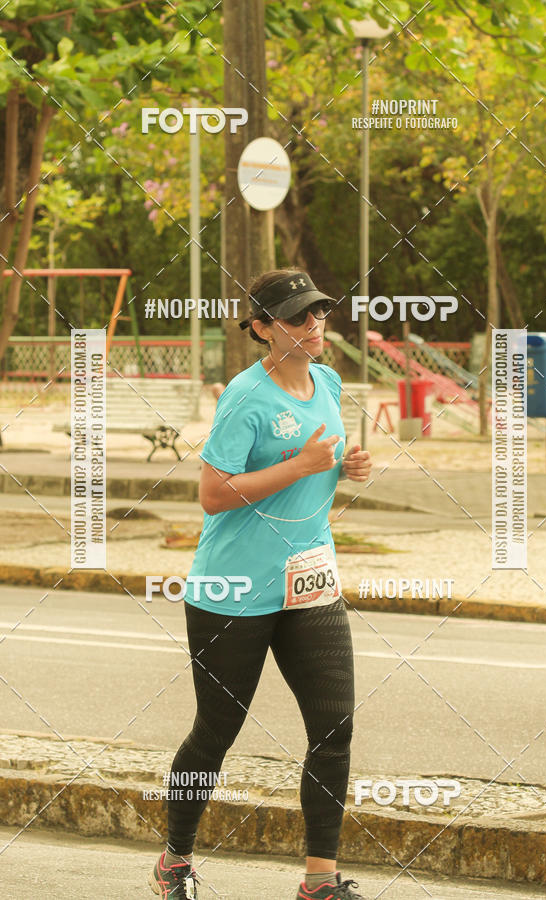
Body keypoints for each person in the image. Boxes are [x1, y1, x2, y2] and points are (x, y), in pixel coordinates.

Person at [149, 268, 372, 899]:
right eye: (300, 317)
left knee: (334, 729)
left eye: (320, 313)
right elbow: (213, 495)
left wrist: (343, 469)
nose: (316, 325)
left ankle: (319, 882)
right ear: (264, 328)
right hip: (234, 589)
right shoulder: (246, 398)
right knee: (217, 732)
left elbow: (318, 466)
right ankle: (175, 859)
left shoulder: (327, 380)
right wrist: (300, 464)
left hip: (310, 580)